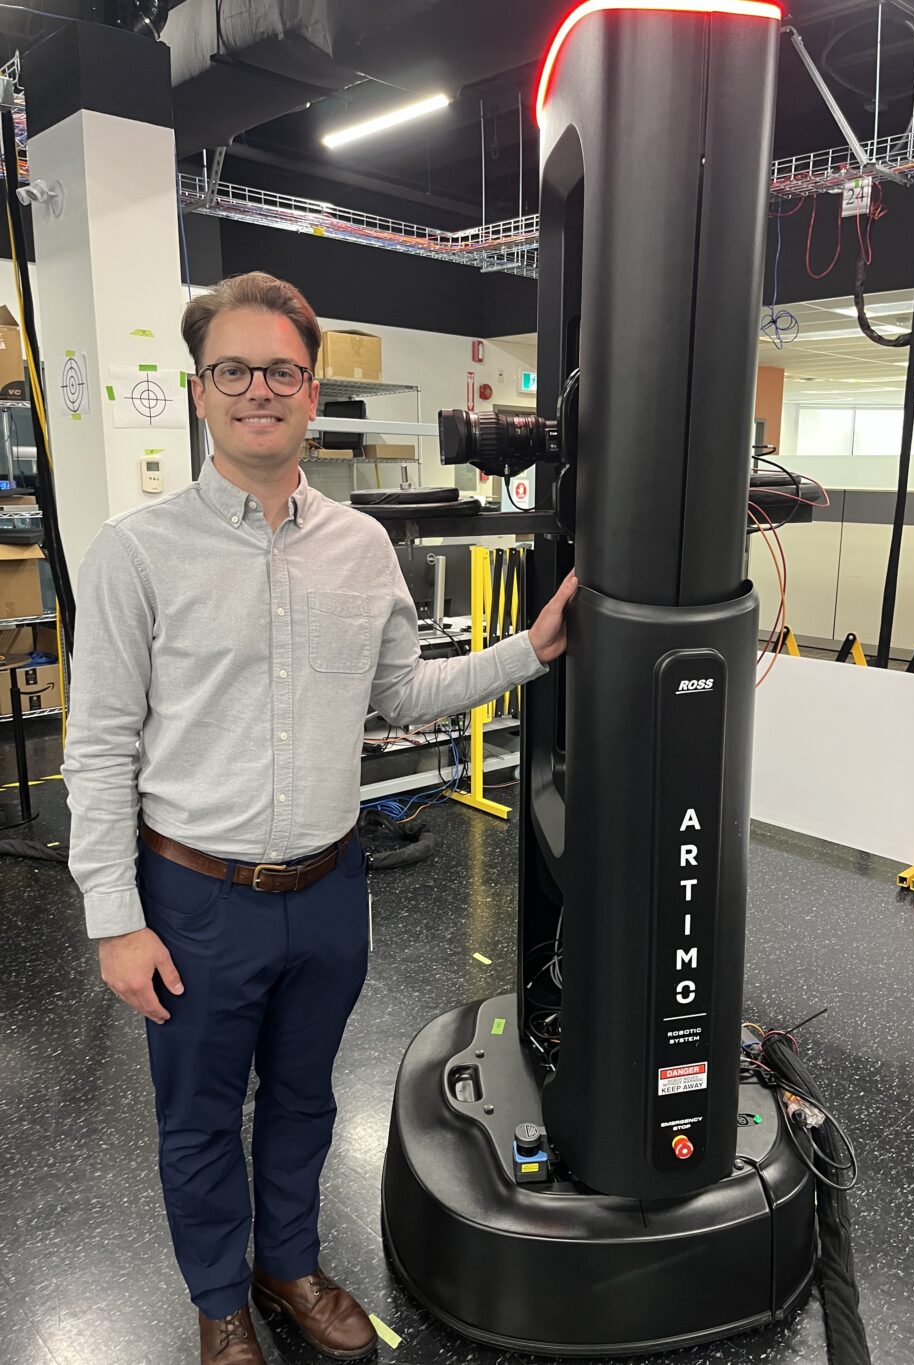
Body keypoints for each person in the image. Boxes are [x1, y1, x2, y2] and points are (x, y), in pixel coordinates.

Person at [61, 271, 577, 1364]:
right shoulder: (135, 553)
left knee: (303, 1104)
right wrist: (115, 917)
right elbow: (99, 745)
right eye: (234, 371)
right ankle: (218, 1305)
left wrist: (527, 652)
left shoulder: (360, 546)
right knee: (200, 1121)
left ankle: (286, 1266)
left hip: (331, 892)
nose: (260, 390)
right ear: (199, 392)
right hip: (194, 899)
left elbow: (401, 697)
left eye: (282, 372)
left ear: (311, 391)